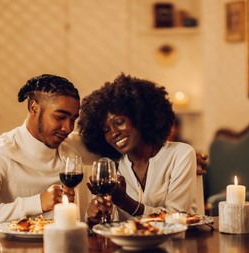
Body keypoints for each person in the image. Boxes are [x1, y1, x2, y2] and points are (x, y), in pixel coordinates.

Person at [0, 74, 91, 227]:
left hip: (65, 245)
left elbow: (119, 146)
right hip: (11, 249)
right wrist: (37, 202)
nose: (68, 128)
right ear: (34, 108)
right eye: (60, 117)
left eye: (73, 119)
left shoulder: (71, 145)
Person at [79, 73, 199, 224]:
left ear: (140, 117)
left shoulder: (180, 154)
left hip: (179, 244)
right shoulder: (113, 167)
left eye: (119, 122)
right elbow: (111, 223)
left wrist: (125, 202)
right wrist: (94, 216)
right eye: (105, 130)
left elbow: (177, 217)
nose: (114, 133)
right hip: (128, 246)